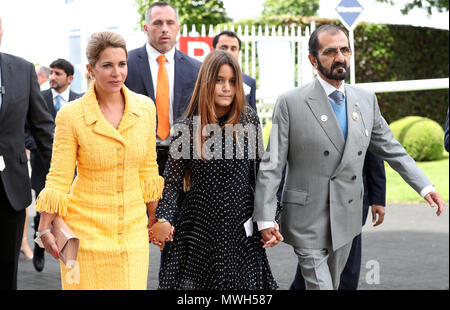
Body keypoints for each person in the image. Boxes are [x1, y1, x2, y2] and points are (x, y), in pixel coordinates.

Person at [253, 24, 445, 290]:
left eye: (345, 50)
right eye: (330, 51)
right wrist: (264, 216)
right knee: (321, 286)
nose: (340, 57)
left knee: (332, 282)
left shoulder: (366, 100)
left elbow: (391, 148)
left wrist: (424, 186)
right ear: (313, 59)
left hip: (347, 217)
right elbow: (272, 163)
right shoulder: (290, 102)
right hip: (306, 218)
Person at [35, 31, 164, 290]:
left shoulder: (146, 108)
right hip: (83, 236)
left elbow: (149, 170)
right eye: (107, 65)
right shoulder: (71, 115)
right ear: (91, 69)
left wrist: (155, 217)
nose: (116, 72)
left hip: (132, 234)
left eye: (122, 64)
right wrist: (44, 229)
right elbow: (59, 177)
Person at [150, 50, 277, 290]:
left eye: (232, 81)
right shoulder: (186, 128)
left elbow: (263, 175)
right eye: (219, 80)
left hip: (241, 230)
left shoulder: (249, 120)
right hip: (198, 230)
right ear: (207, 82)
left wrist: (270, 218)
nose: (226, 88)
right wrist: (164, 217)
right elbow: (172, 184)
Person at [0, 16, 55, 290]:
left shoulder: (21, 70)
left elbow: (44, 127)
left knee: (7, 271)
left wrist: (60, 180)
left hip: (9, 189)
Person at [125, 1, 201, 176]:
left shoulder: (195, 69)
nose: (164, 28)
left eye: (170, 23)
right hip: (138, 161)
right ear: (146, 28)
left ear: (178, 27)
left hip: (183, 161)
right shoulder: (126, 65)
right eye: (158, 23)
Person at [290, 151, 386, 290]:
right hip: (315, 200)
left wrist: (378, 198)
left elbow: (374, 152)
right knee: (313, 256)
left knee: (346, 265)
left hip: (351, 202)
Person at [25, 58, 81, 272]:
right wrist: (38, 148)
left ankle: (69, 254)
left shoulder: (80, 100)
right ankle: (40, 243)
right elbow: (26, 130)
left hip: (73, 170)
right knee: (43, 209)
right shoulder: (39, 98)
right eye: (51, 73)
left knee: (70, 212)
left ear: (70, 78)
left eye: (57, 74)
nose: (52, 78)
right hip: (43, 166)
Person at [212, 30, 257, 111]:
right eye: (223, 48)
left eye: (233, 48)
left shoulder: (249, 82)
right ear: (213, 49)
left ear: (238, 52)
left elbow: (252, 114)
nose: (228, 52)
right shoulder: (200, 76)